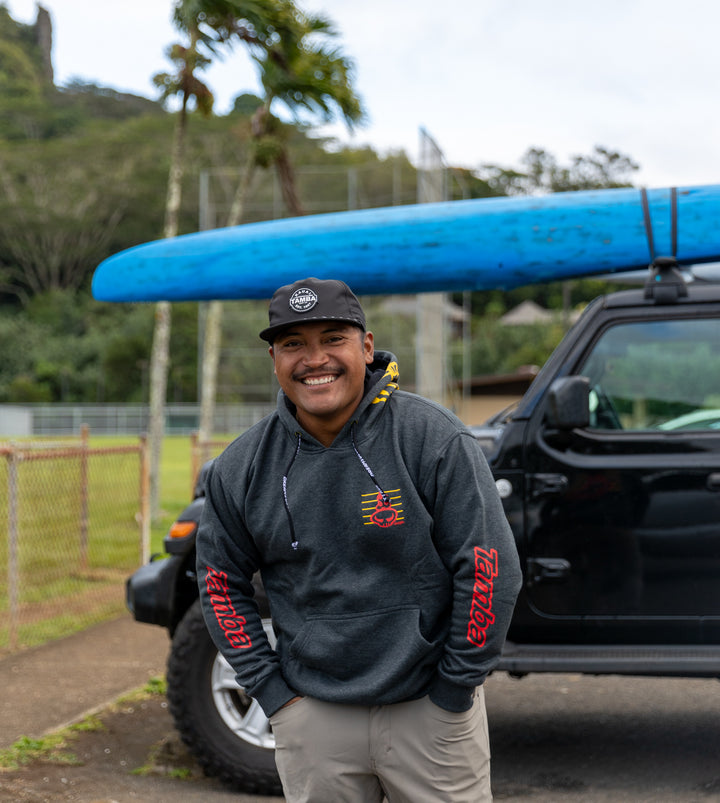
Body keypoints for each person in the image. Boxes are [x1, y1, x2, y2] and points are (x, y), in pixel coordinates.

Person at [196, 277, 522, 802]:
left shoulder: (434, 439)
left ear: (366, 347)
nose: (314, 358)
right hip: (312, 717)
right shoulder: (241, 467)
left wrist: (455, 687)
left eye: (333, 338)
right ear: (274, 359)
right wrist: (273, 694)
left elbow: (488, 567)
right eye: (293, 344)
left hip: (429, 713)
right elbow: (218, 584)